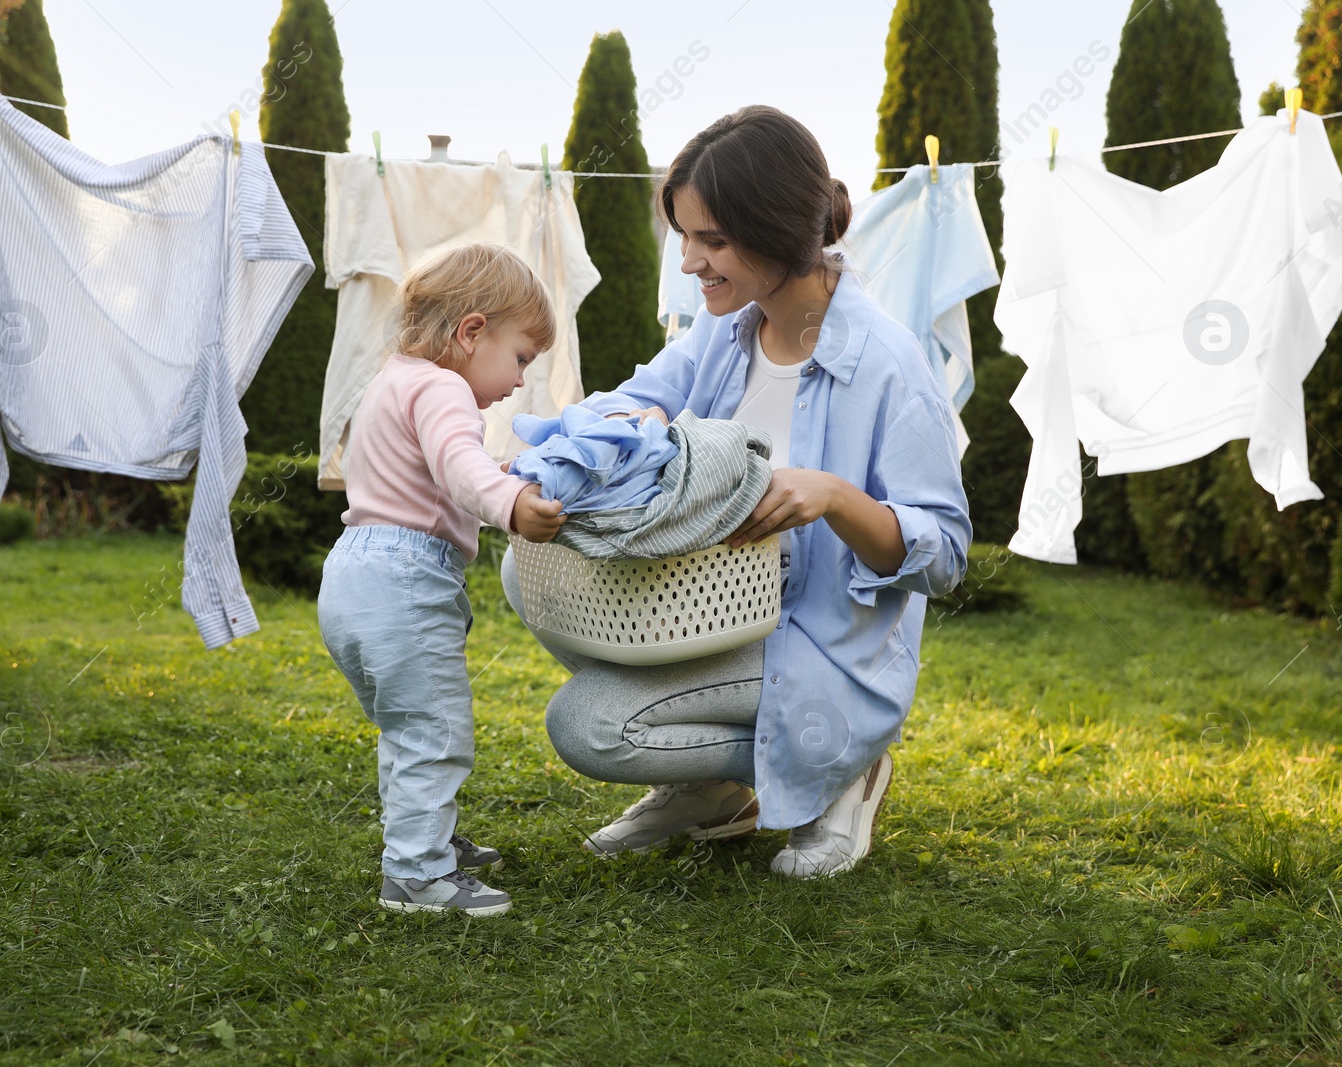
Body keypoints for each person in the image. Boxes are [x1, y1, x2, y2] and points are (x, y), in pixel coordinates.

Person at [501, 106, 972, 879]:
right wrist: (628, 426)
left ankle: (842, 768)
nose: (689, 260)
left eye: (711, 240)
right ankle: (713, 787)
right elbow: (632, 398)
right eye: (685, 236)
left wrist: (836, 498)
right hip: (721, 604)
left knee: (588, 724)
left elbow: (946, 555)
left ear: (779, 229)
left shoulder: (889, 365)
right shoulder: (725, 333)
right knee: (527, 572)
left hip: (816, 644)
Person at [319, 244, 567, 916]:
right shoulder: (444, 387)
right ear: (471, 331)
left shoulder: (392, 379)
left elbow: (443, 467)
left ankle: (425, 839)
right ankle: (417, 874)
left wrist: (505, 478)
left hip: (352, 571)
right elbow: (461, 466)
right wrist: (512, 504)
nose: (519, 380)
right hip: (403, 577)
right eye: (520, 357)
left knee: (406, 727)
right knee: (434, 730)